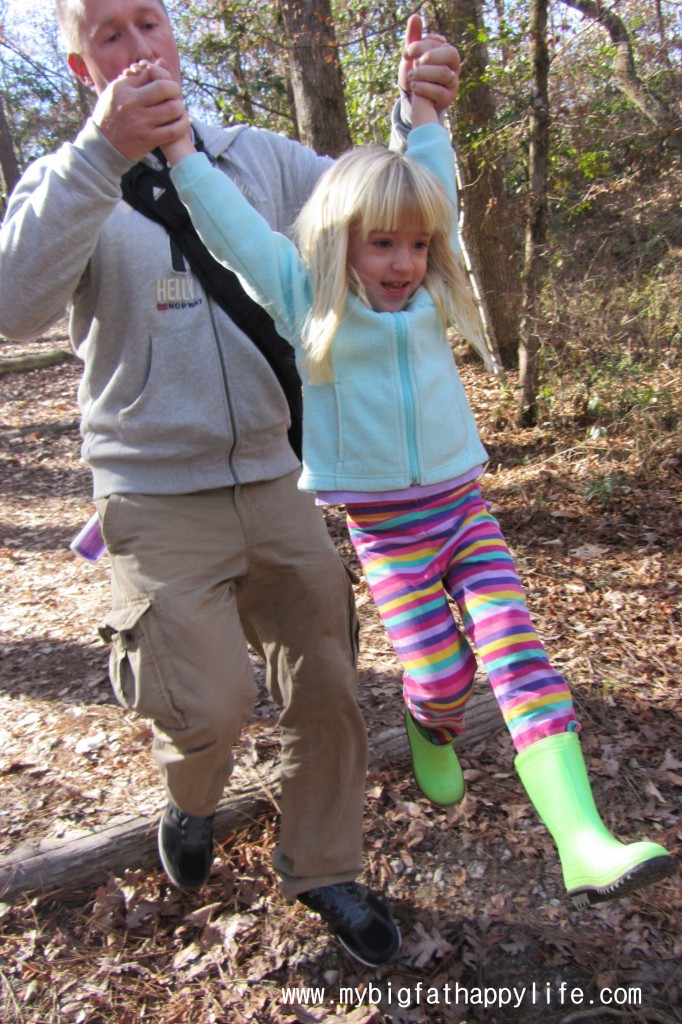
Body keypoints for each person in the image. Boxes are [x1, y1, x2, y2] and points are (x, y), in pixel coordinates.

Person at [0, 0, 464, 968]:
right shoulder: (67, 178)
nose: (139, 50)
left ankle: (325, 867)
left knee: (330, 688)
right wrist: (97, 157)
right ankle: (190, 796)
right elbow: (14, 306)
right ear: (85, 68)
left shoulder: (263, 158)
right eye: (111, 37)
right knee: (205, 703)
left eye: (150, 24)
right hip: (152, 493)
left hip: (283, 475)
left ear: (173, 36)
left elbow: (384, 220)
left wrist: (416, 117)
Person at [152, 65, 674, 911]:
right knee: (438, 674)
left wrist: (425, 110)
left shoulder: (430, 297)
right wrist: (181, 153)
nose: (404, 263)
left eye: (418, 245)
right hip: (388, 533)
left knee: (519, 655)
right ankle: (433, 720)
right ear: (340, 239)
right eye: (383, 243)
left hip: (464, 513)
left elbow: (438, 193)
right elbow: (235, 236)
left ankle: (584, 841)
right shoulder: (306, 298)